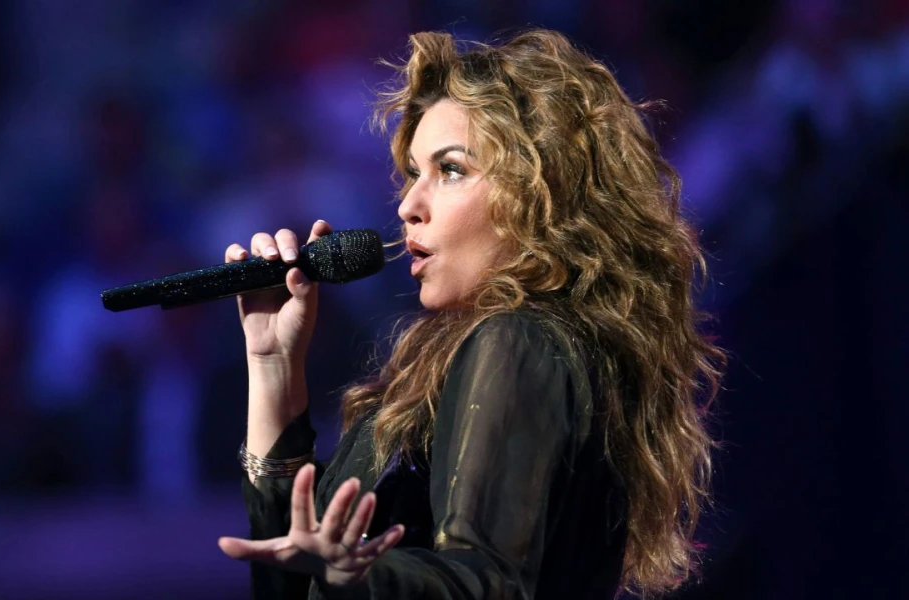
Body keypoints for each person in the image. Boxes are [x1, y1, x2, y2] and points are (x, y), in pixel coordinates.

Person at [216, 28, 725, 599]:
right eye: (412, 174)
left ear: (539, 192)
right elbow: (290, 585)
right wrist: (274, 369)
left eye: (450, 170)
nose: (408, 205)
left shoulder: (518, 340)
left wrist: (360, 573)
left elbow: (486, 583)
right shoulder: (489, 351)